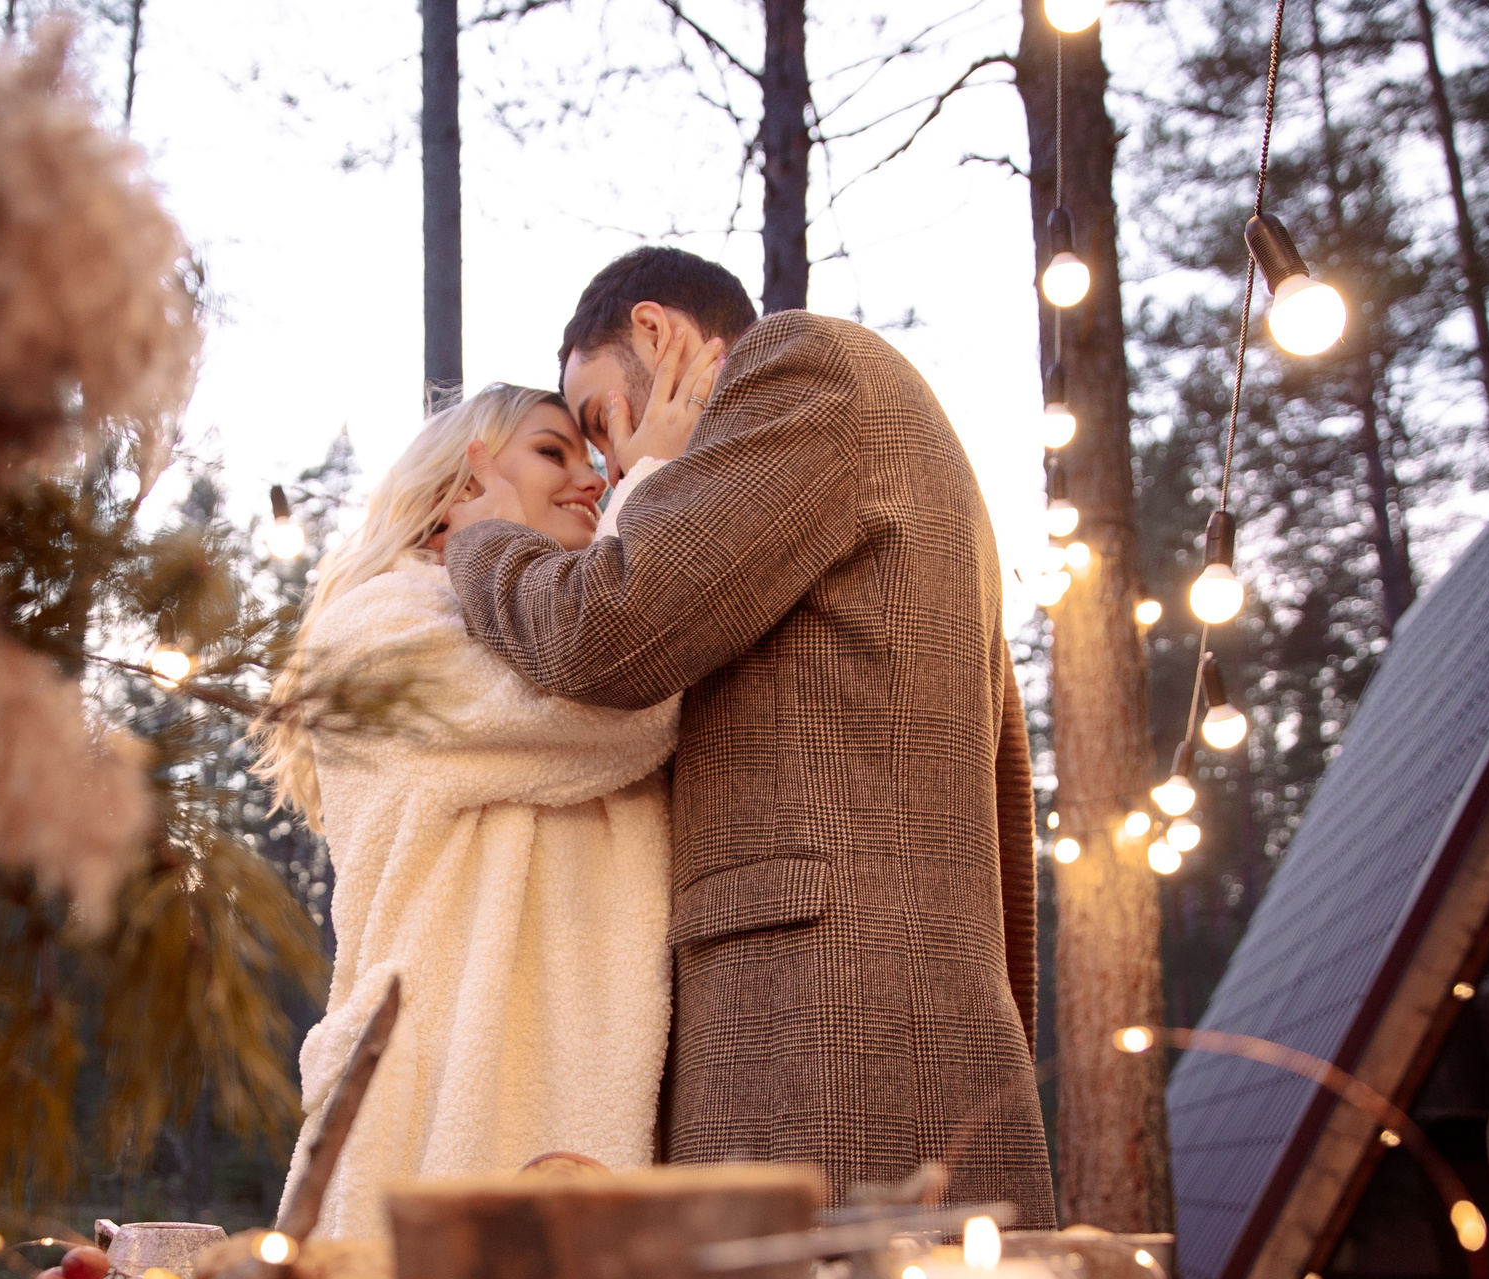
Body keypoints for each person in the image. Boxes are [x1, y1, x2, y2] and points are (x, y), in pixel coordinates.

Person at [442, 246, 1054, 1224]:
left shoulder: (801, 369)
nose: (610, 465)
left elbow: (608, 630)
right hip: (860, 1006)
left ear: (656, 331)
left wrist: (479, 541)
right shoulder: (858, 422)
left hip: (827, 1019)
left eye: (599, 416)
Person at [257, 385, 679, 1239]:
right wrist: (657, 482)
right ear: (460, 483)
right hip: (446, 1079)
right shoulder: (379, 624)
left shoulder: (526, 623)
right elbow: (624, 701)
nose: (592, 481)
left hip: (575, 1078)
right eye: (554, 452)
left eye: (597, 466)